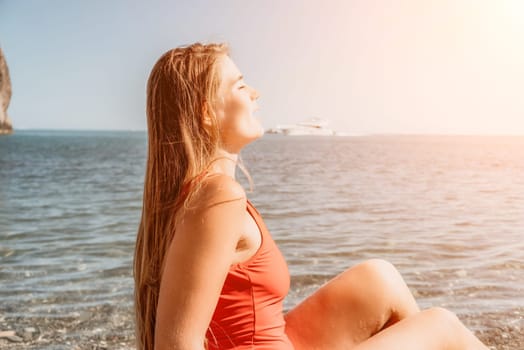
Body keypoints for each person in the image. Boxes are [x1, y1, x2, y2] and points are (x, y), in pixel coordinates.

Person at [134, 42, 489, 350]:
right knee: (441, 326)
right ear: (207, 114)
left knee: (378, 278)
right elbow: (176, 343)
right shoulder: (218, 197)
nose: (255, 94)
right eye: (241, 86)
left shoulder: (197, 194)